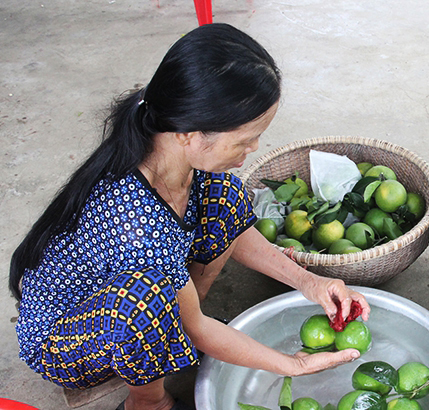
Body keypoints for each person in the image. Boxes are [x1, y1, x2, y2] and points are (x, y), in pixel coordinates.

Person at [9, 23, 370, 410]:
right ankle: (147, 400)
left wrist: (308, 281)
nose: (254, 147)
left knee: (226, 196)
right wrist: (292, 364)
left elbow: (234, 228)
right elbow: (193, 326)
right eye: (245, 139)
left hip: (134, 288)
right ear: (190, 133)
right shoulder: (135, 221)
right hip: (65, 339)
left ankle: (174, 316)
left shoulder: (164, 144)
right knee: (145, 305)